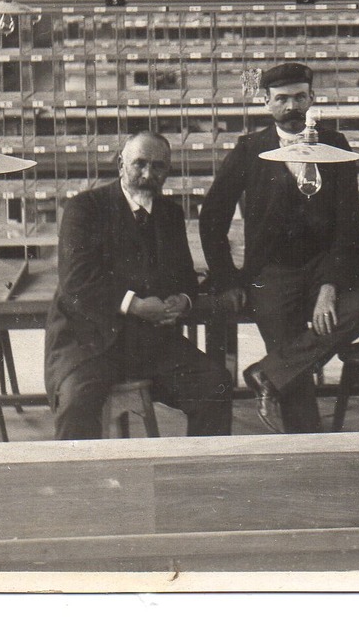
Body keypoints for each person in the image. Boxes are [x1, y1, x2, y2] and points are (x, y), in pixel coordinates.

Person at [199, 62, 359, 433]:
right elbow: (212, 215)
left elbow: (349, 224)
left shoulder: (336, 145)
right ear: (267, 103)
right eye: (281, 99)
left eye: (299, 97)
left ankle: (267, 373)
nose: (292, 106)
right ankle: (308, 452)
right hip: (272, 272)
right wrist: (227, 278)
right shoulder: (250, 149)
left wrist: (329, 286)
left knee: (356, 311)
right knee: (293, 366)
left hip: (325, 263)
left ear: (312, 98)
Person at [43, 132, 233, 439]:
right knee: (77, 404)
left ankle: (200, 481)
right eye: (139, 164)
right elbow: (76, 282)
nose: (148, 174)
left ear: (167, 171)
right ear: (121, 164)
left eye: (158, 167)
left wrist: (182, 300)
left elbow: (186, 276)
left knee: (215, 383)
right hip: (91, 343)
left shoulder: (170, 214)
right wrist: (135, 305)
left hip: (151, 345)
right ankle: (77, 487)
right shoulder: (85, 208)